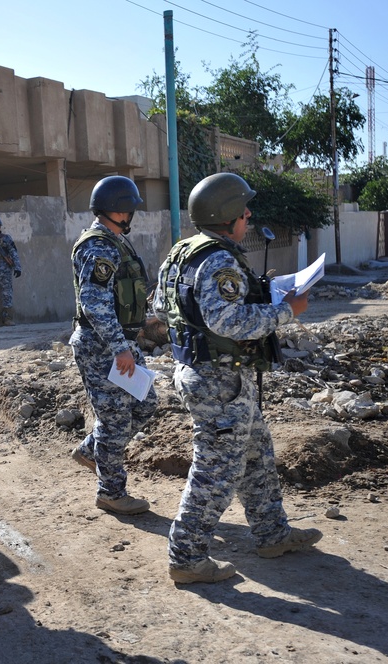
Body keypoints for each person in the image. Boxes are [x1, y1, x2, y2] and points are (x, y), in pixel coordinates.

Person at [154, 172, 322, 584]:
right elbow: (228, 320)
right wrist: (288, 310)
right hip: (219, 381)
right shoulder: (219, 260)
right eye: (243, 208)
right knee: (216, 470)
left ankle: (272, 534)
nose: (248, 214)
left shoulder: (182, 253)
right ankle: (187, 557)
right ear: (227, 215)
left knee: (256, 453)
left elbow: (161, 308)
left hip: (212, 374)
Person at [69, 176, 157, 516]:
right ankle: (111, 492)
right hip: (100, 345)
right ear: (120, 210)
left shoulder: (115, 241)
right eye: (130, 208)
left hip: (118, 341)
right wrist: (120, 347)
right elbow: (95, 302)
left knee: (145, 403)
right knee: (115, 419)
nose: (132, 213)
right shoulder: (99, 246)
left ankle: (92, 451)